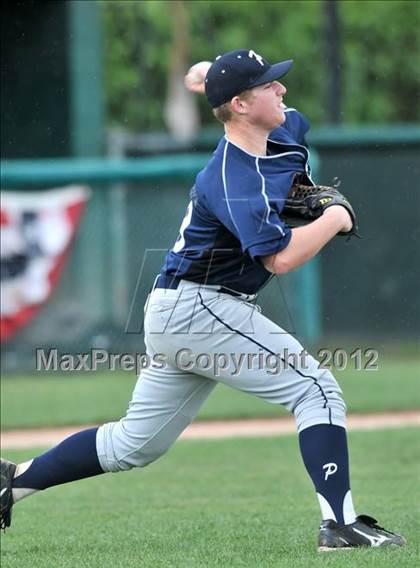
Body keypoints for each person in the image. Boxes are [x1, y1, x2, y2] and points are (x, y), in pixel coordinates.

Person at [1, 49, 405, 551]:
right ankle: (340, 527)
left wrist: (206, 75)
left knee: (135, 444)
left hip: (181, 312)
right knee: (316, 389)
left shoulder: (284, 129)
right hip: (201, 308)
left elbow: (258, 109)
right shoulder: (233, 179)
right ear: (239, 104)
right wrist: (334, 217)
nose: (281, 91)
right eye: (268, 86)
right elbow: (279, 260)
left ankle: (10, 482)